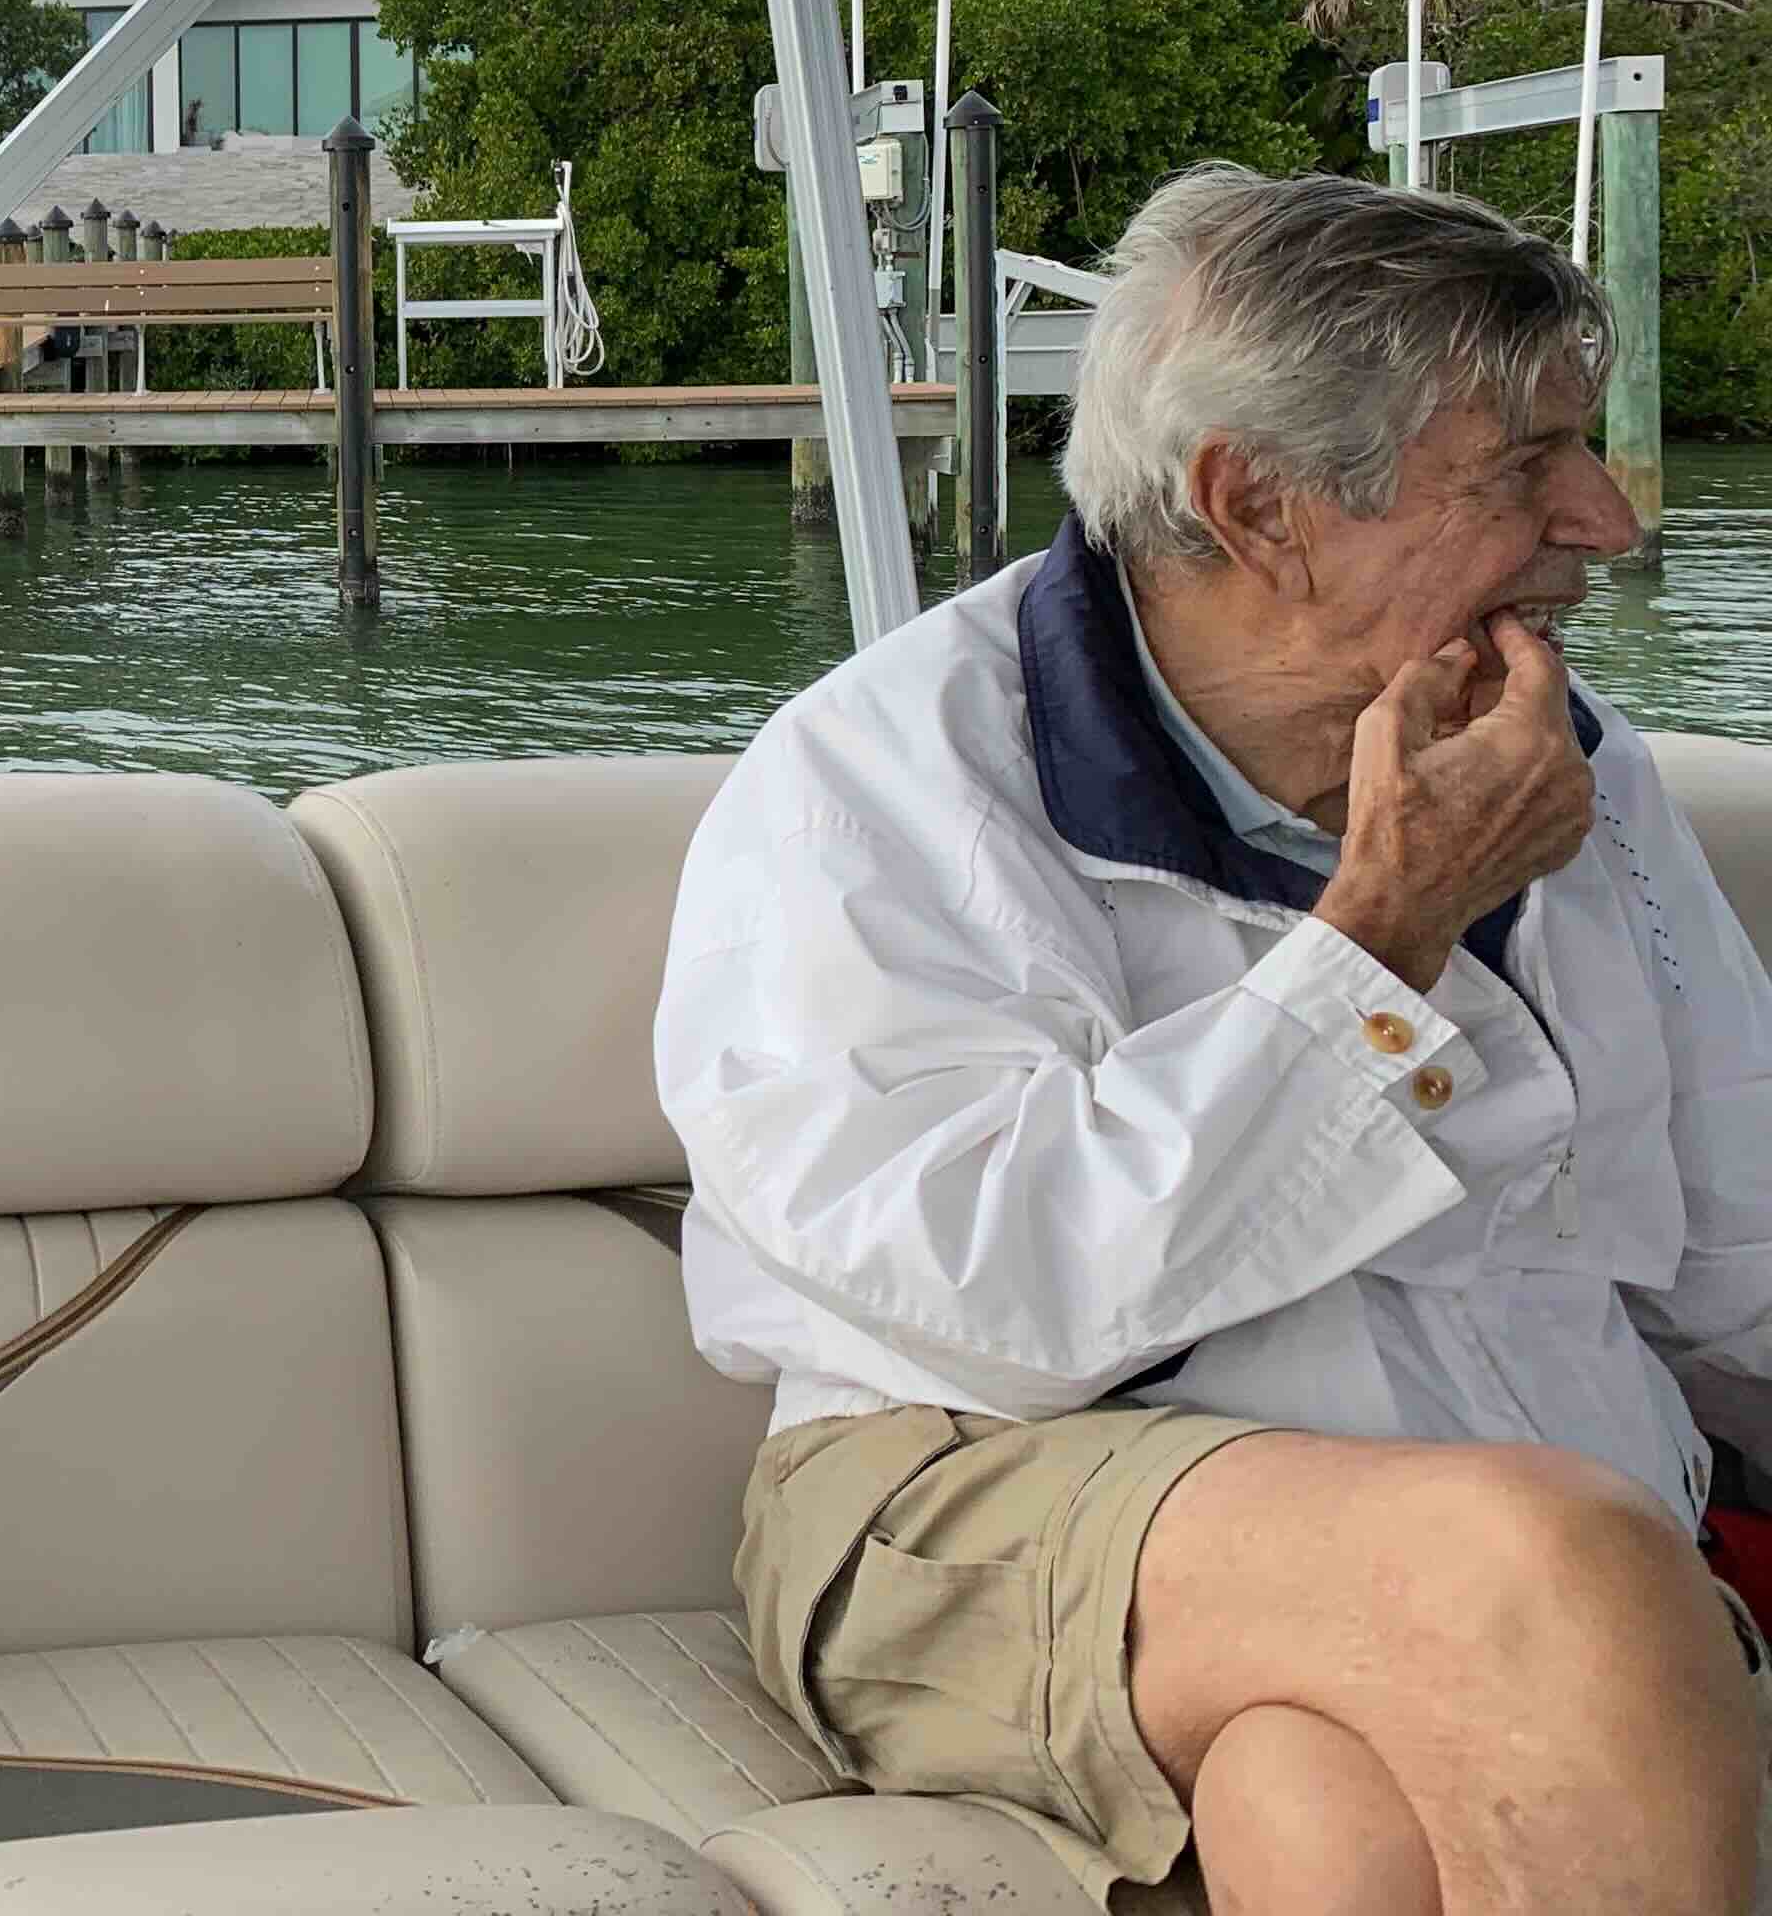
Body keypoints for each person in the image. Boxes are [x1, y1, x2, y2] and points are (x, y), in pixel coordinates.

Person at [658, 164, 1768, 1915]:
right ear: (1259, 507)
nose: (1607, 521)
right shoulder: (882, 778)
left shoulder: (1589, 778)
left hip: (1498, 1499)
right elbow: (1001, 1303)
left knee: (1332, 1818)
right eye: (1522, 466)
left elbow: (1736, 1242)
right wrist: (1383, 939)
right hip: (975, 1486)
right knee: (1550, 1571)